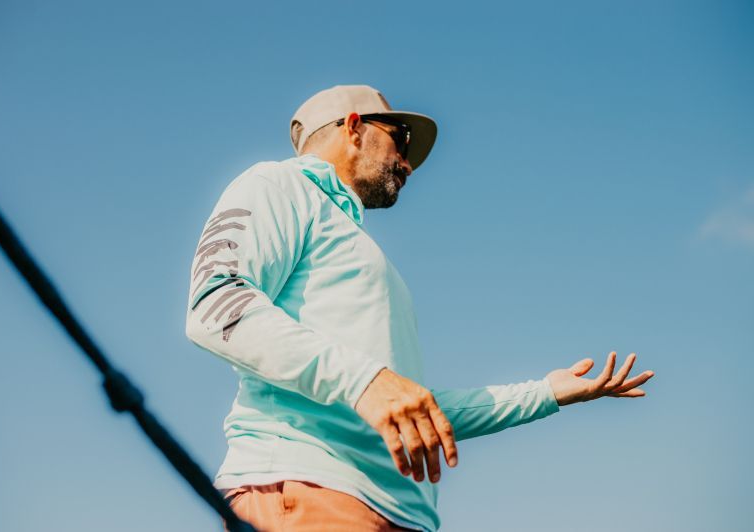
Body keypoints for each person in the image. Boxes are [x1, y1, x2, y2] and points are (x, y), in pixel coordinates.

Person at [184, 85, 654, 531]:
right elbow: (215, 302)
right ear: (353, 127)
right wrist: (364, 381)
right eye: (400, 141)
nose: (408, 164)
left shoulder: (361, 251)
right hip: (309, 491)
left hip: (400, 515)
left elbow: (412, 409)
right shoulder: (280, 184)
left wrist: (546, 392)